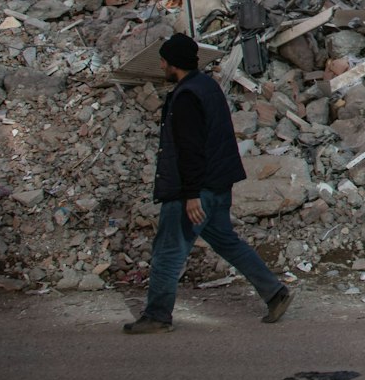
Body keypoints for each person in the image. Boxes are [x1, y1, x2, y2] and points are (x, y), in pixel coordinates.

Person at [123, 33, 292, 333]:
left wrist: (190, 195)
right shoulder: (207, 87)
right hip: (217, 185)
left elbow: (189, 150)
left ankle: (157, 316)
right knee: (226, 241)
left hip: (194, 190)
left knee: (168, 251)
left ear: (173, 63)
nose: (161, 64)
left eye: (164, 60)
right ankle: (275, 292)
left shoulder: (186, 97)